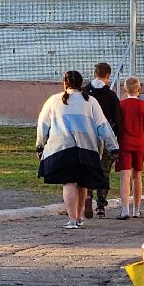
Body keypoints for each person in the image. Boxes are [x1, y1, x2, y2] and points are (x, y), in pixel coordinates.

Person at [36, 70, 117, 230]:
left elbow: (43, 124)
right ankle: (79, 217)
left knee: (69, 183)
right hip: (87, 147)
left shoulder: (53, 101)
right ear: (81, 83)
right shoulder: (90, 101)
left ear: (65, 83)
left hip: (62, 147)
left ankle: (72, 220)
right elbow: (103, 125)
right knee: (82, 183)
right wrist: (113, 147)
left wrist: (40, 144)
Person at [85, 62, 121, 219]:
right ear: (108, 76)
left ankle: (87, 195)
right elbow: (118, 119)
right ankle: (101, 205)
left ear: (94, 74)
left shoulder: (84, 93)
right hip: (106, 138)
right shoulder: (111, 96)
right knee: (104, 171)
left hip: (86, 138)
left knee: (87, 168)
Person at [115, 76, 144, 220]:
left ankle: (125, 209)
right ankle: (136, 210)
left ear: (125, 89)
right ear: (139, 89)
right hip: (139, 144)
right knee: (137, 177)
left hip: (123, 143)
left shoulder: (120, 105)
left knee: (125, 176)